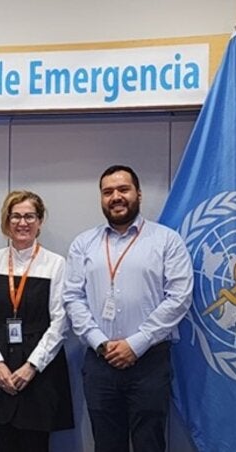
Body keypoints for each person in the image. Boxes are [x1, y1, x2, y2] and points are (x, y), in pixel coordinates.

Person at [63, 165, 193, 452]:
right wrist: (100, 342)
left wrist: (136, 344)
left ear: (139, 194)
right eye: (108, 192)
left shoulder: (167, 241)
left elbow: (179, 298)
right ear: (101, 198)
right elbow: (72, 297)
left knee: (150, 444)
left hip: (149, 361)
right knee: (106, 445)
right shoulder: (84, 244)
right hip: (100, 362)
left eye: (123, 189)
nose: (116, 197)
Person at [0, 190, 74, 452]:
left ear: (40, 221)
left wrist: (31, 366)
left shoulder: (56, 264)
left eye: (29, 216)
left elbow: (60, 321)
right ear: (7, 221)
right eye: (16, 216)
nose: (22, 223)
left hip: (40, 371)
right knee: (4, 444)